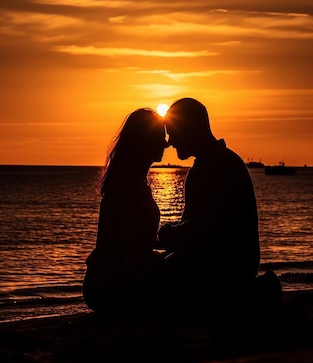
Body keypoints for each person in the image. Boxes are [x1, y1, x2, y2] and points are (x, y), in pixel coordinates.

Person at [158, 97, 281, 311]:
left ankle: (253, 292)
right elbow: (197, 227)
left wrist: (168, 234)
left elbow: (204, 231)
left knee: (154, 280)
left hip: (227, 268)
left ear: (191, 128)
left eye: (173, 132)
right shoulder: (215, 164)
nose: (170, 141)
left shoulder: (218, 166)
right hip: (228, 263)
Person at [83, 108, 168, 314]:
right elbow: (129, 248)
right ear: (144, 140)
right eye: (160, 136)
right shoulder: (127, 184)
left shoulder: (134, 181)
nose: (166, 142)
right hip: (111, 285)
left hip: (113, 279)